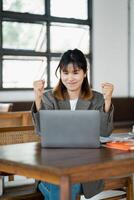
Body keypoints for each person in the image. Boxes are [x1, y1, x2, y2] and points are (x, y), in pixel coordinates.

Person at [32, 48, 114, 200]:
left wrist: (107, 100)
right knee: (64, 180)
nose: (70, 78)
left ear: (85, 72)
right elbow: (42, 132)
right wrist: (38, 99)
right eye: (65, 72)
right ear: (60, 73)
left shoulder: (97, 98)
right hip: (54, 162)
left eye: (75, 72)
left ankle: (43, 186)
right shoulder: (49, 97)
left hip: (86, 164)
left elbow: (105, 132)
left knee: (65, 181)